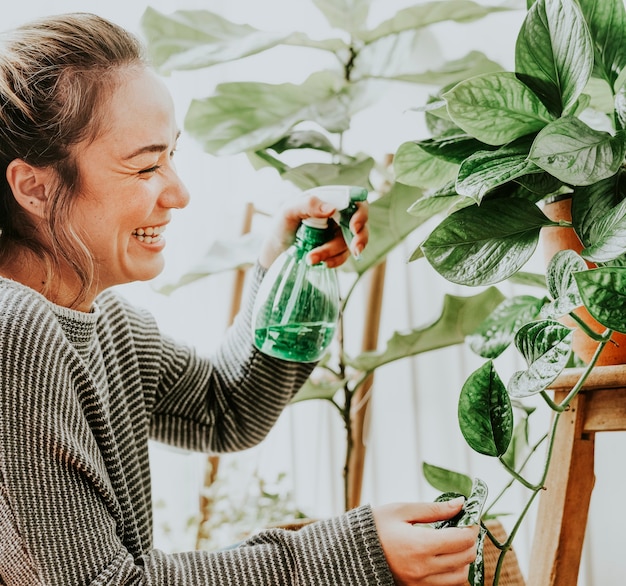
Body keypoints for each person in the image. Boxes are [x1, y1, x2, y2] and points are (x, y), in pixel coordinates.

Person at [0, 12, 478, 586]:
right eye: (147, 165)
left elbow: (228, 411)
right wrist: (354, 554)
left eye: (172, 156)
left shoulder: (108, 323)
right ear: (35, 185)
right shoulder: (14, 330)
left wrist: (287, 267)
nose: (178, 192)